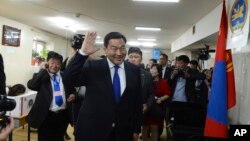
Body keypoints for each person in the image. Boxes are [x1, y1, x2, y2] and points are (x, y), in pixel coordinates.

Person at [64, 31, 143, 141]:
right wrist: (82, 54)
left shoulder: (134, 70)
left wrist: (136, 129)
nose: (119, 53)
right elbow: (68, 79)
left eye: (122, 48)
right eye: (114, 48)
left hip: (122, 132)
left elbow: (137, 102)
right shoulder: (93, 67)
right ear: (105, 50)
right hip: (93, 131)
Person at [27, 51, 75, 141]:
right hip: (45, 116)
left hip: (62, 116)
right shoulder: (41, 75)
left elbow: (73, 90)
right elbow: (31, 85)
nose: (54, 65)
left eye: (57, 63)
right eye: (52, 62)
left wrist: (73, 94)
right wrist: (42, 70)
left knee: (59, 138)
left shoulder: (65, 76)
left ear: (60, 65)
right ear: (47, 63)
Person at [127, 47, 155, 139]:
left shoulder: (147, 75)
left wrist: (147, 105)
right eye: (131, 57)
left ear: (141, 59)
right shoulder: (120, 72)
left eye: (136, 57)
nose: (133, 59)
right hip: (121, 111)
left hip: (138, 111)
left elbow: (151, 93)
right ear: (127, 57)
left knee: (135, 136)